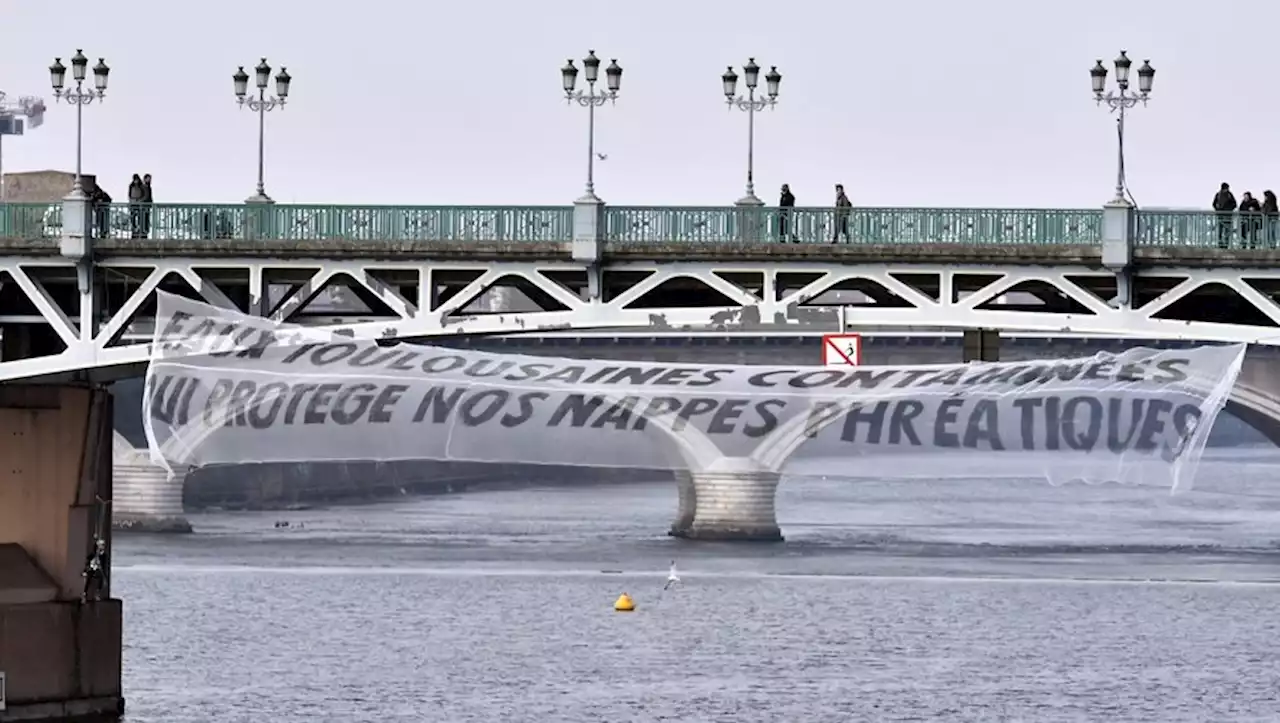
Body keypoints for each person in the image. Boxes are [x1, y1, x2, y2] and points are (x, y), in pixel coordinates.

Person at [1212, 182, 1237, 248]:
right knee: (1222, 230)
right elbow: (1214, 204)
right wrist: (1219, 210)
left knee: (1225, 230)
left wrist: (1220, 210)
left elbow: (1234, 204)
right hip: (1223, 215)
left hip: (1225, 215)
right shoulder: (1222, 195)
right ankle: (1222, 243)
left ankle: (1224, 244)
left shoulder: (1226, 195)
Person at [127, 174, 145, 238]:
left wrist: (140, 200)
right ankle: (134, 231)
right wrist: (131, 201)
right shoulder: (131, 186)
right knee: (133, 218)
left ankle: (139, 230)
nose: (136, 181)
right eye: (135, 180)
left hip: (139, 204)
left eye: (136, 180)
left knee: (140, 218)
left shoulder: (141, 186)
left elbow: (143, 195)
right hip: (133, 204)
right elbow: (129, 195)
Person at [141, 173, 154, 237]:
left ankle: (145, 233)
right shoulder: (143, 186)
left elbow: (150, 196)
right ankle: (143, 233)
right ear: (145, 179)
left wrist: (151, 202)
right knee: (143, 219)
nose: (149, 180)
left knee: (146, 219)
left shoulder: (149, 187)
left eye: (150, 179)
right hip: (143, 205)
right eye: (148, 179)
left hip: (147, 205)